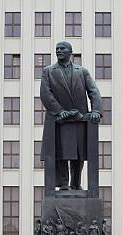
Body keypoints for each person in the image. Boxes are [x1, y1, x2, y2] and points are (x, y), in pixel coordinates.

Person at [40, 41, 102, 190]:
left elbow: (93, 91)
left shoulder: (82, 71)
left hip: (79, 119)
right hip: (60, 120)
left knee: (79, 153)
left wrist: (96, 110)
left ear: (70, 52)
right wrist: (60, 110)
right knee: (61, 152)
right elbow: (45, 94)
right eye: (57, 49)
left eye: (62, 48)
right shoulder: (48, 71)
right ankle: (63, 183)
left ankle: (76, 183)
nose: (59, 51)